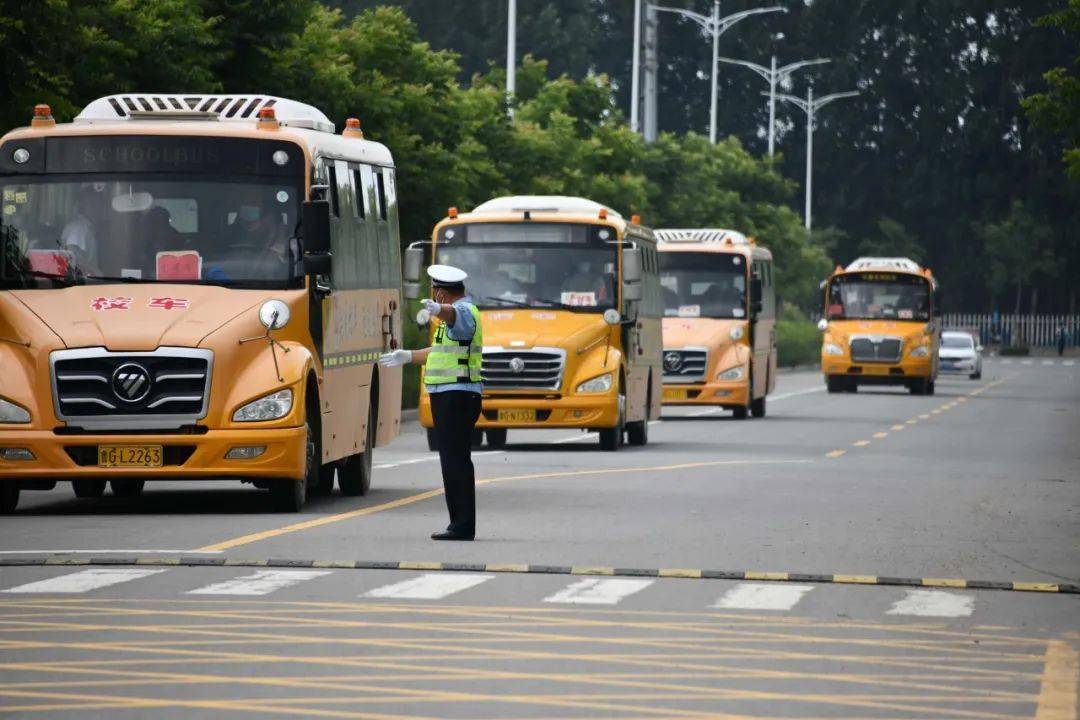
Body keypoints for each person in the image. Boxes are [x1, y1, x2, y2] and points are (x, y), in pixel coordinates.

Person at [379, 265, 483, 541]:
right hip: (449, 395)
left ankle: (461, 526)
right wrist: (408, 356)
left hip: (457, 396)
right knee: (451, 460)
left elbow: (454, 316)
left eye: (435, 294)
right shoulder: (452, 318)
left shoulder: (464, 313)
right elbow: (439, 353)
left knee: (455, 461)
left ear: (440, 293)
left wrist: (440, 311)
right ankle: (458, 523)